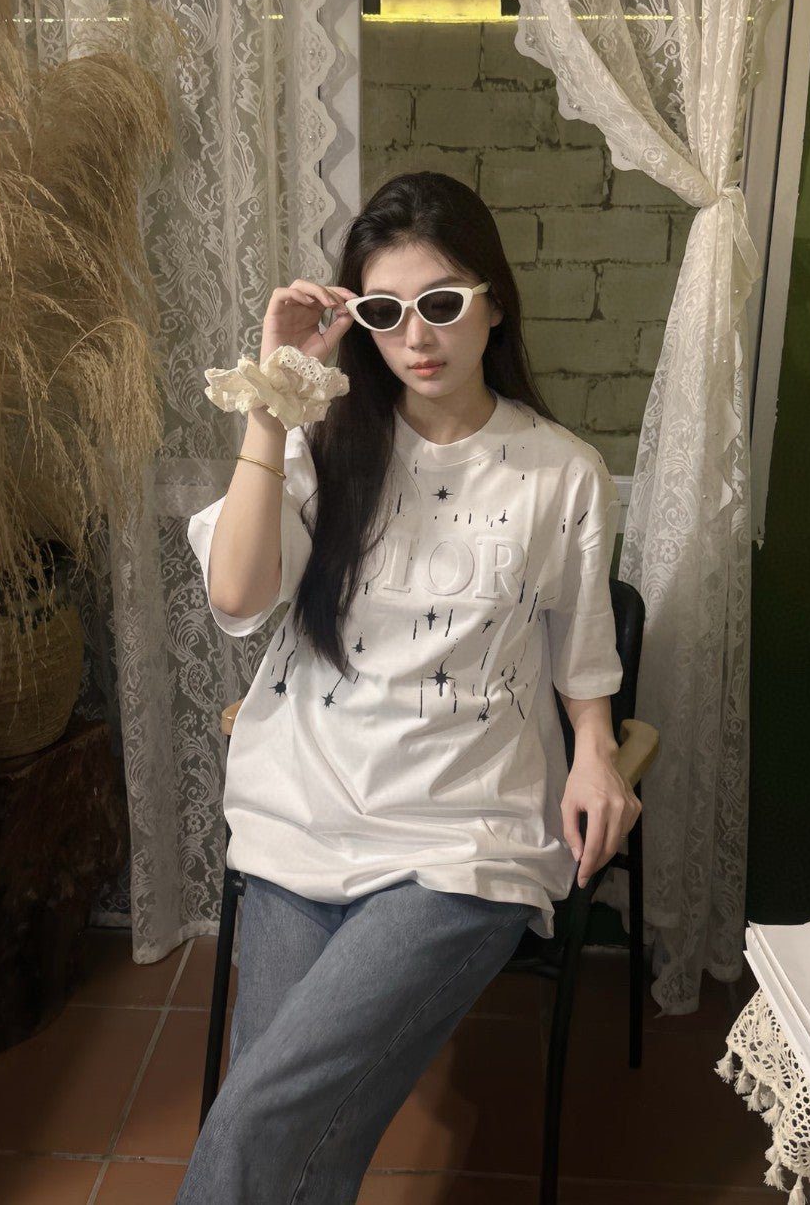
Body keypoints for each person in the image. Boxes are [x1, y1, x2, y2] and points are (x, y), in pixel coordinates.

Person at [177, 170, 642, 1203]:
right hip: (304, 808)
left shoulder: (561, 471)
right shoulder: (327, 444)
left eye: (440, 302)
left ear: (494, 303)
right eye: (385, 314)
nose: (416, 336)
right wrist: (277, 392)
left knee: (260, 1111)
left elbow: (580, 640)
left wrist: (598, 749)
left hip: (463, 836)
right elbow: (238, 595)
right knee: (301, 1126)